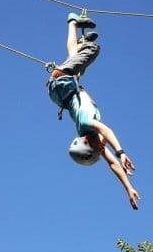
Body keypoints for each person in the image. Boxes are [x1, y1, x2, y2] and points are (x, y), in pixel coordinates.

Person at [47, 12, 140, 210]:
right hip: (63, 87)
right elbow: (113, 164)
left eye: (98, 149)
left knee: (92, 50)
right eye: (101, 151)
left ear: (88, 142)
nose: (102, 150)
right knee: (75, 56)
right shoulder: (93, 139)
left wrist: (121, 152)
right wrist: (128, 188)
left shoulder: (86, 123)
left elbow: (107, 130)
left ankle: (84, 43)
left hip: (61, 82)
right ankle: (73, 22)